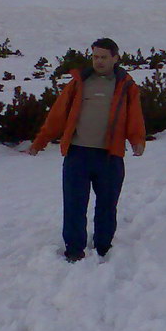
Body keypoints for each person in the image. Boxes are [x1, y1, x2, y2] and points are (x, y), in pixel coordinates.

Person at [29, 38, 146, 262]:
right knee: (74, 204)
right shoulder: (79, 82)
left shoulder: (126, 85)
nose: (98, 61)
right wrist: (40, 141)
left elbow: (135, 116)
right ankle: (74, 249)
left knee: (107, 205)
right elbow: (58, 114)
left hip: (109, 156)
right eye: (95, 57)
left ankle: (103, 246)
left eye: (103, 57)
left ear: (115, 58)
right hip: (77, 154)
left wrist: (137, 140)